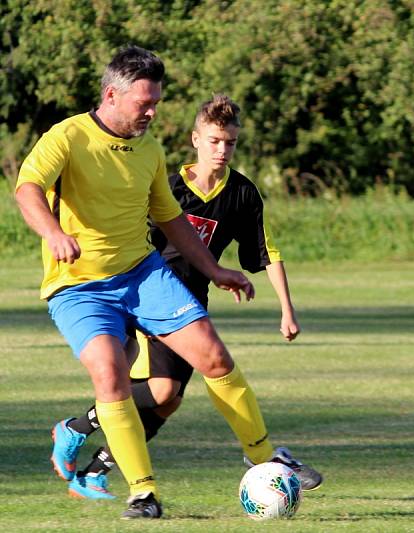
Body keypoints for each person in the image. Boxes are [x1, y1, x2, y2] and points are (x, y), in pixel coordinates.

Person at [18, 46, 285, 519]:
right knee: (110, 373)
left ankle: (267, 462)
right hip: (79, 286)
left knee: (214, 357)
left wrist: (215, 269)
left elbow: (170, 216)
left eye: (156, 101)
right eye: (145, 102)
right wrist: (53, 232)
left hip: (143, 273)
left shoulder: (151, 149)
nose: (152, 111)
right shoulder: (67, 137)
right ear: (111, 95)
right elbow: (27, 189)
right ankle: (142, 493)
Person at [52, 94, 322, 501]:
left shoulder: (243, 194)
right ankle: (83, 437)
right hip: (143, 288)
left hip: (185, 302)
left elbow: (265, 252)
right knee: (155, 390)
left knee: (166, 400)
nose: (222, 149)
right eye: (214, 141)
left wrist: (287, 309)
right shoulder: (168, 183)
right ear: (195, 139)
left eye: (229, 142)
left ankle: (92, 465)